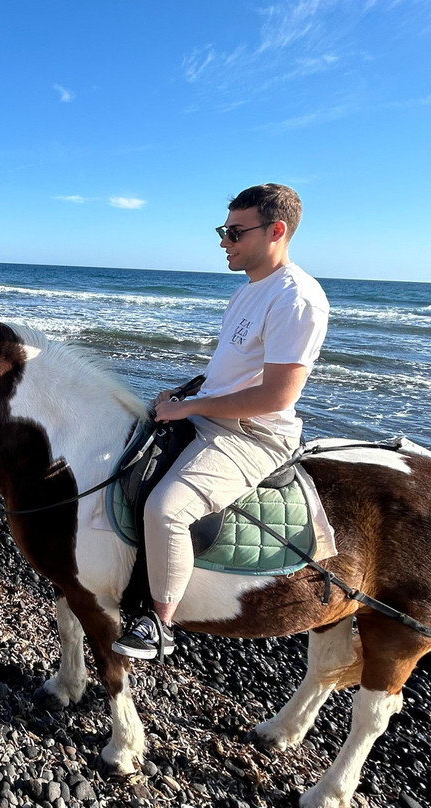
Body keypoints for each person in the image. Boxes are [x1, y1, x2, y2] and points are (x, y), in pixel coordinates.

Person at [112, 183, 329, 660]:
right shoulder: (248, 292)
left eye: (234, 232)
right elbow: (227, 371)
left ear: (276, 230)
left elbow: (277, 395)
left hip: (252, 435)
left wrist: (188, 409)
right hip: (212, 415)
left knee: (166, 509)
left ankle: (160, 624)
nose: (223, 242)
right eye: (222, 230)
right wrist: (184, 393)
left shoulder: (297, 298)